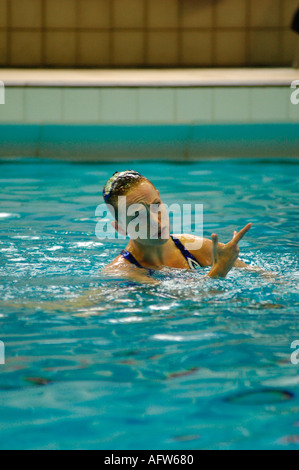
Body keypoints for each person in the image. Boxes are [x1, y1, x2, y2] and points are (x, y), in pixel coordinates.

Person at [102, 170, 252, 285]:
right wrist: (218, 272)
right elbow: (182, 303)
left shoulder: (193, 246)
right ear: (120, 228)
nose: (155, 222)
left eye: (156, 205)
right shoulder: (123, 271)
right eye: (137, 215)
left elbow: (264, 276)